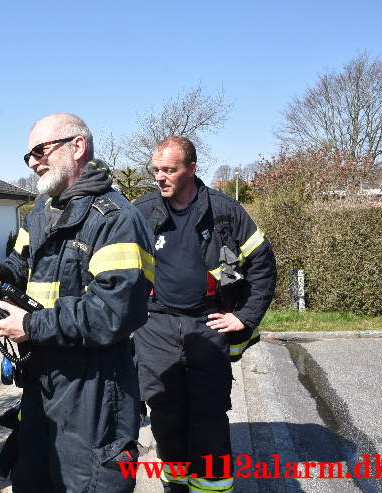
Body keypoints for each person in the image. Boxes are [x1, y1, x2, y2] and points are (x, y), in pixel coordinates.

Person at [0, 113, 154, 493]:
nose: (34, 161)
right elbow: (20, 265)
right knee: (34, 479)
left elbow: (116, 311)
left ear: (77, 147)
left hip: (96, 386)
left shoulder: (117, 219)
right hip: (43, 378)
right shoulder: (40, 213)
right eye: (28, 156)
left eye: (40, 150)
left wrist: (33, 326)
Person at [132, 136, 276, 493]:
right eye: (156, 171)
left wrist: (244, 316)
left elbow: (263, 263)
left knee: (208, 417)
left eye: (169, 170)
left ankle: (210, 488)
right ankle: (175, 486)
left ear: (192, 169)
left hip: (208, 323)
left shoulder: (224, 211)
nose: (160, 178)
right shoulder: (142, 210)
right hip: (155, 326)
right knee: (165, 414)